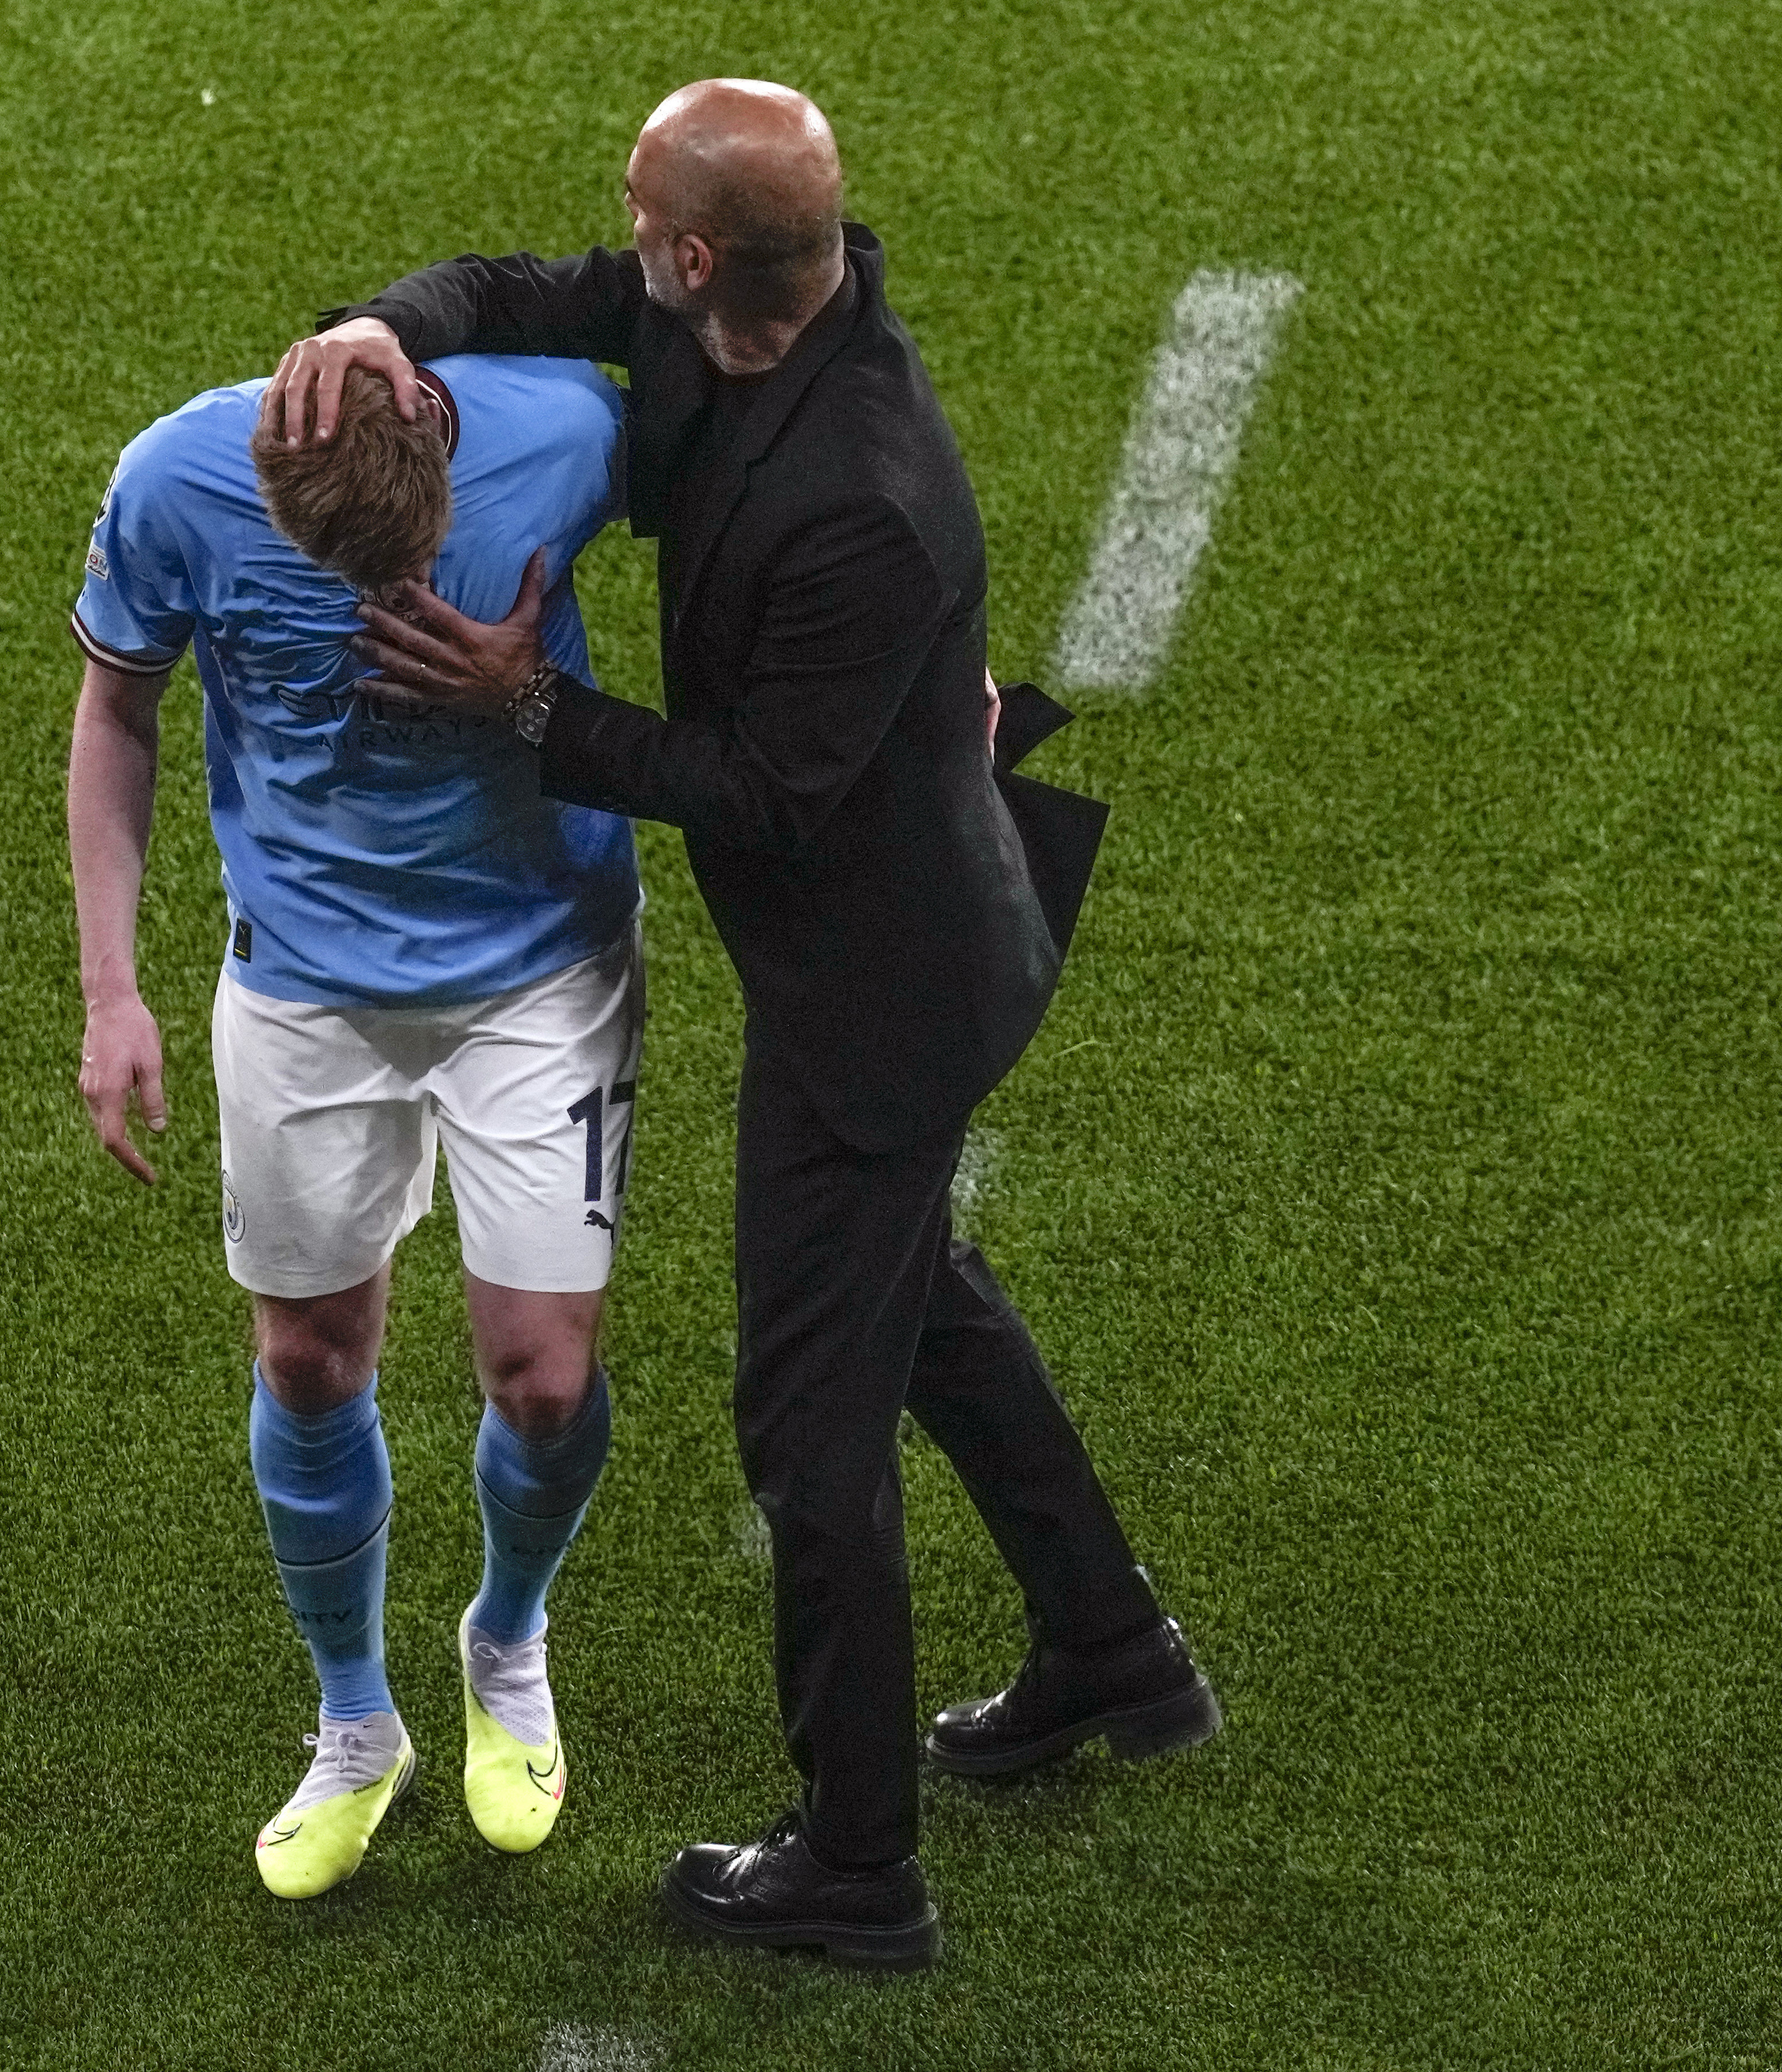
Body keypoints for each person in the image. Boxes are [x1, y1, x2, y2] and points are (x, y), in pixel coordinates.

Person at [264, 78, 1216, 1968]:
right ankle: (1112, 1649)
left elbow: (771, 789)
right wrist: (381, 326)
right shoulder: (730, 317)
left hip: (892, 996)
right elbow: (515, 287)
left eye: (639, 217)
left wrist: (525, 702)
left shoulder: (867, 493)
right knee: (925, 1310)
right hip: (891, 934)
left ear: (700, 253)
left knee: (806, 1430)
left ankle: (856, 1868)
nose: (613, 242)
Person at [66, 347, 643, 1900]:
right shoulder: (175, 477)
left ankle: (505, 1638)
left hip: (542, 970)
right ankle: (354, 1720)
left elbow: (759, 516)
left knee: (543, 1375)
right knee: (310, 1358)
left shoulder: (570, 427)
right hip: (306, 987)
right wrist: (112, 989)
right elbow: (117, 707)